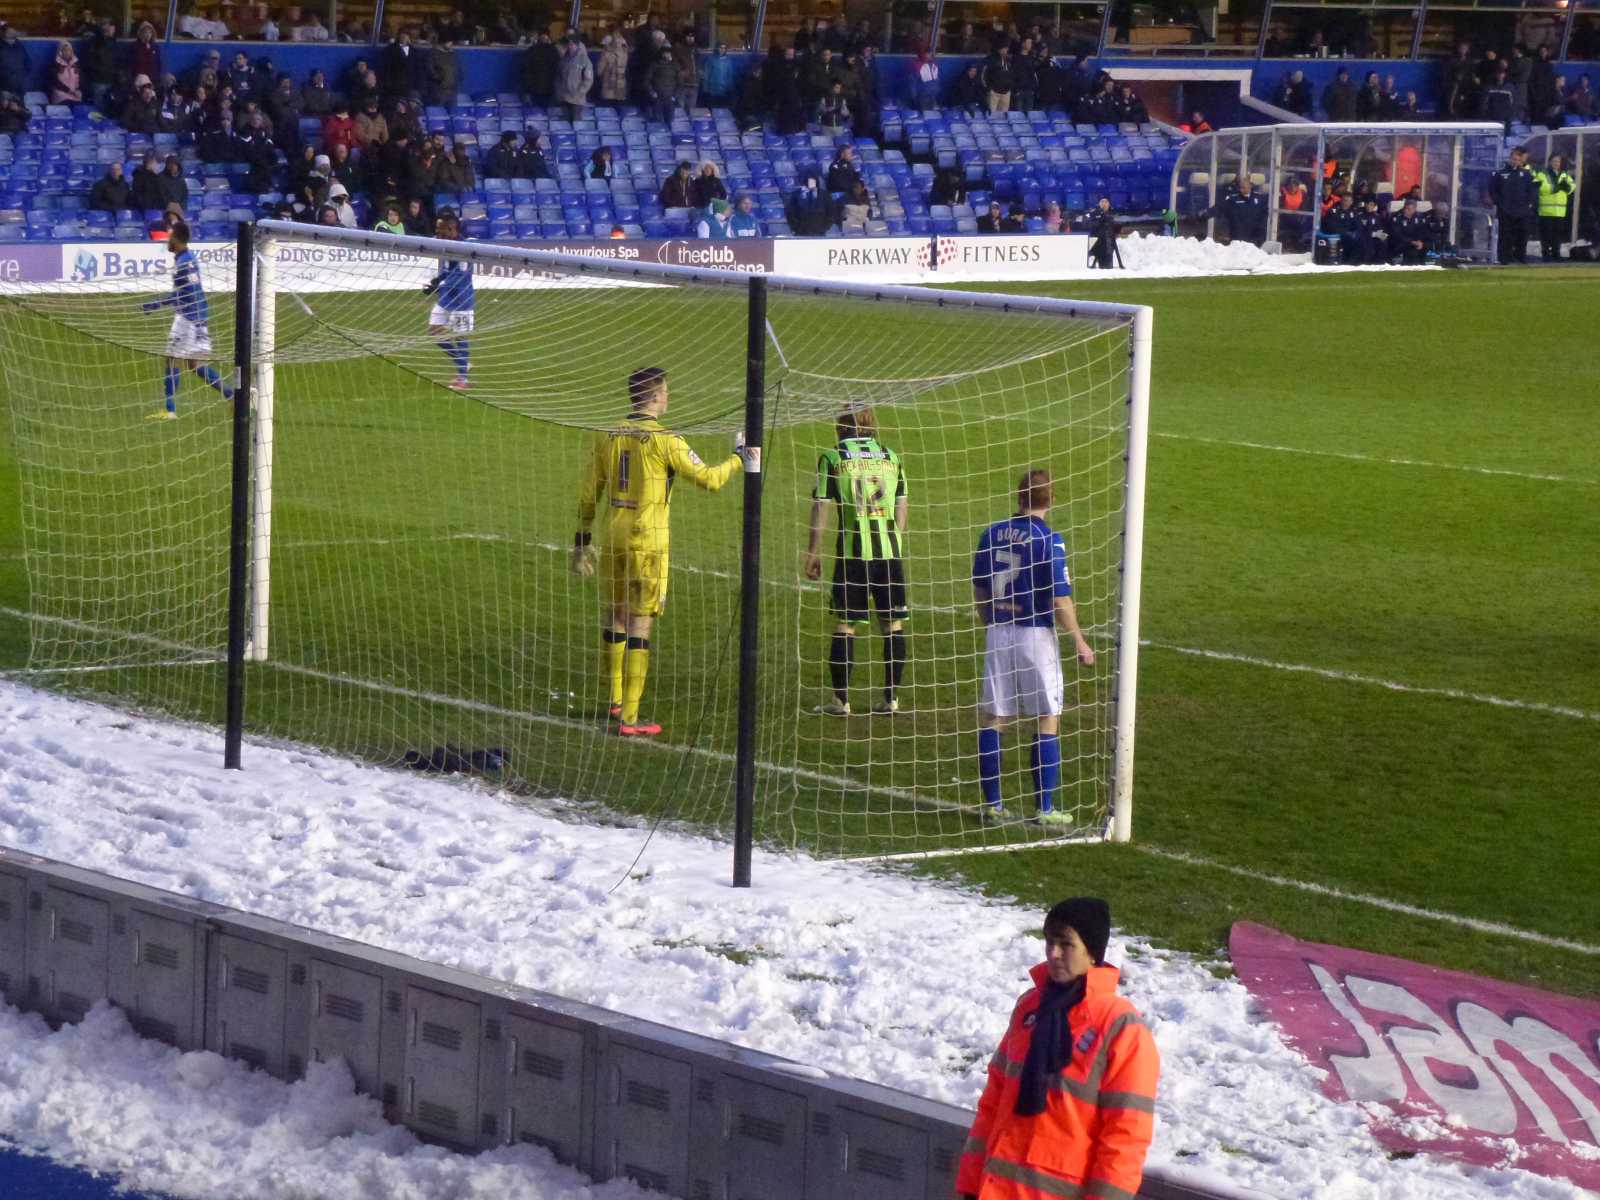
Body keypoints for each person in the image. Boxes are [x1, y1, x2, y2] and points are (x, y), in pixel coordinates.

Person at [571, 366, 745, 737]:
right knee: (640, 622)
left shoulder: (609, 434)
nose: (668, 397)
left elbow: (589, 495)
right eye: (665, 391)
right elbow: (710, 480)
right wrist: (740, 458)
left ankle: (615, 700)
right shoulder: (667, 440)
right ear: (654, 397)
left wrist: (582, 542)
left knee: (615, 615)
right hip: (648, 542)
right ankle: (630, 719)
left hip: (613, 536)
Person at [956, 897, 1159, 1199]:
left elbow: (1125, 1141)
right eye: (1049, 942)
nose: (1053, 953)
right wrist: (969, 1186)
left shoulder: (1122, 1029)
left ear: (1092, 952)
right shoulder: (1029, 1008)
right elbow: (993, 1104)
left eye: (1066, 944)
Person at [970, 469, 1094, 823]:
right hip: (1035, 635)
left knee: (995, 717)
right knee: (1046, 717)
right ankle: (1044, 808)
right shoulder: (1049, 539)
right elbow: (1060, 598)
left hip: (999, 630)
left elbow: (979, 587)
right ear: (1051, 499)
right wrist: (1081, 642)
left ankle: (992, 805)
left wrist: (988, 620)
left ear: (1019, 497)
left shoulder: (991, 533)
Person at [802, 408, 908, 716]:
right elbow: (902, 506)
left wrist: (813, 551)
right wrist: (895, 542)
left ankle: (841, 701)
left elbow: (821, 507)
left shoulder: (833, 457)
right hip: (889, 552)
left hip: (852, 554)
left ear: (842, 427)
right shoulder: (891, 456)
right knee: (892, 624)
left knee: (846, 624)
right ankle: (891, 699)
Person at [140, 221, 233, 420]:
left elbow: (184, 294)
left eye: (169, 235)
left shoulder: (183, 264)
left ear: (177, 239)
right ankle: (231, 394)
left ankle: (170, 409)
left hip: (188, 318)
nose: (167, 239)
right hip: (197, 315)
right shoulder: (187, 259)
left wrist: (155, 304)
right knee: (194, 364)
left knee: (172, 359)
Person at [422, 210, 474, 391]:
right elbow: (447, 270)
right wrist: (435, 282)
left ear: (452, 229)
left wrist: (440, 284)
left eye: (441, 229)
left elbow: (460, 275)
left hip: (462, 299)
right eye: (437, 229)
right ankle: (463, 362)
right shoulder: (443, 246)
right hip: (446, 298)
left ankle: (463, 378)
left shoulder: (464, 248)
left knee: (460, 336)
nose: (438, 232)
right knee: (434, 332)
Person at [1490, 146, 1539, 265]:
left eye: (1518, 160)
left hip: (1522, 211)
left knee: (1522, 235)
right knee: (1505, 235)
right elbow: (1493, 190)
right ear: (1510, 159)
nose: (1516, 162)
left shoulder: (1526, 174)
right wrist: (1500, 204)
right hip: (1505, 211)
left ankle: (1521, 256)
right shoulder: (1500, 173)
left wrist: (1529, 204)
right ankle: (1504, 257)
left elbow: (1531, 190)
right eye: (1514, 159)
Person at [1203, 175, 1268, 246]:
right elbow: (1219, 207)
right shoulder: (1233, 199)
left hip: (1255, 238)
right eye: (1240, 187)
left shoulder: (1260, 199)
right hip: (1237, 238)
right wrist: (1205, 214)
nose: (1241, 190)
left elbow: (1264, 216)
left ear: (1250, 185)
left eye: (1243, 187)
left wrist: (1261, 235)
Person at [1533, 153, 1574, 262]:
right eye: (1554, 161)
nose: (1556, 163)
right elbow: (1540, 189)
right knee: (1546, 235)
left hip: (1559, 211)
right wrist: (1556, 188)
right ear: (1550, 162)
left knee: (1557, 235)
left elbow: (1572, 186)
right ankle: (1545, 254)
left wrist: (1568, 188)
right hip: (1546, 211)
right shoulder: (1542, 174)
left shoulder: (1564, 174)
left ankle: (1556, 254)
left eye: (1558, 161)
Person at [556, 36, 593, 123]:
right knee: (565, 123)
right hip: (564, 97)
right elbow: (559, 77)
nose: (569, 46)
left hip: (577, 99)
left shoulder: (584, 59)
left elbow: (588, 80)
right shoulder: (564, 59)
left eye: (572, 44)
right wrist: (559, 91)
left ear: (577, 45)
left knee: (576, 122)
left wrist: (579, 92)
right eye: (568, 44)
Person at [1386, 197, 1430, 264]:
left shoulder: (1419, 217)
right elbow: (1397, 235)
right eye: (1405, 208)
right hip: (1401, 242)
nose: (1406, 211)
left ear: (1414, 209)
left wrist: (1420, 242)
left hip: (1414, 242)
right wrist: (1412, 242)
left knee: (1426, 245)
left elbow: (1422, 232)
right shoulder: (1396, 217)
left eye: (1409, 209)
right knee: (1411, 250)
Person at [1086, 196, 1118, 268]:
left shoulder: (1111, 214)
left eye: (1106, 202)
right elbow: (1086, 222)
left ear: (1109, 204)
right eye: (1102, 202)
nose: (1104, 204)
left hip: (1107, 243)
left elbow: (1113, 227)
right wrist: (1098, 221)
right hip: (1095, 241)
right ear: (1099, 203)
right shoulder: (1093, 212)